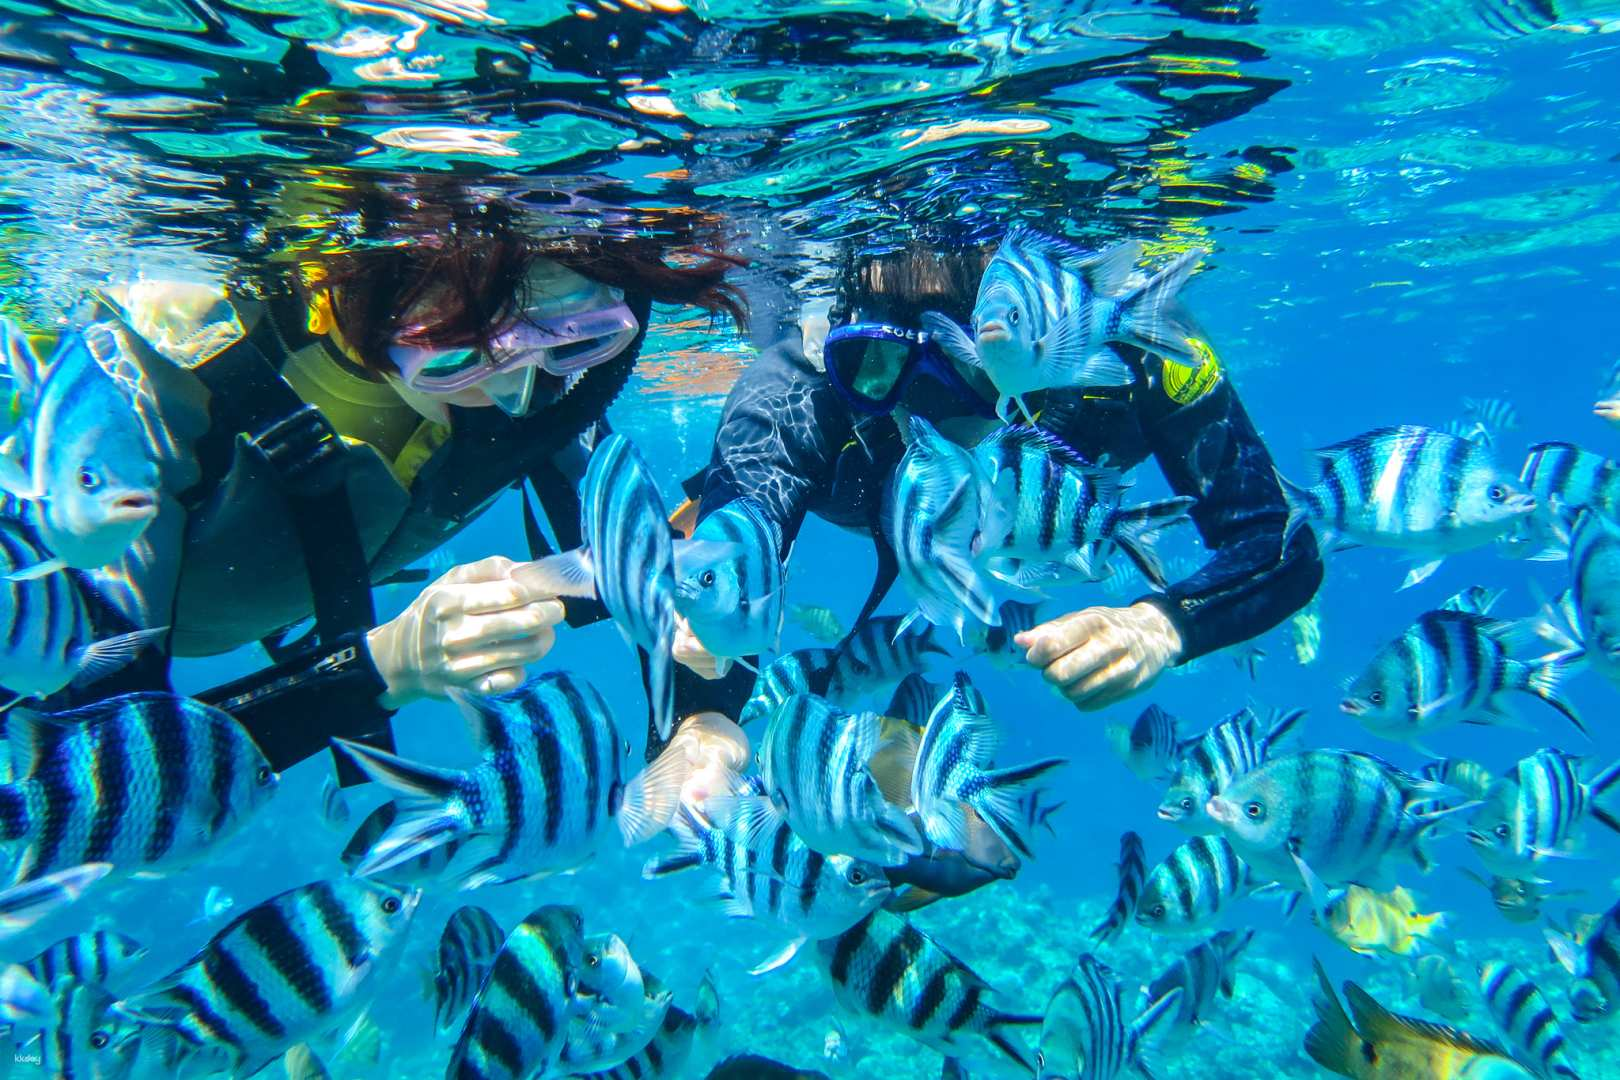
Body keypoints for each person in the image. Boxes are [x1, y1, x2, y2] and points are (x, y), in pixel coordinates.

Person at [1, 181, 746, 777]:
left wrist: (701, 711)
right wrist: (389, 664)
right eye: (455, 360)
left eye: (577, 343)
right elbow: (79, 774)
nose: (516, 397)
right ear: (352, 299)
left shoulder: (545, 388)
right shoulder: (159, 388)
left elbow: (637, 554)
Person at [680, 240, 1320, 708]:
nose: (937, 413)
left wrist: (1161, 625)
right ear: (843, 347)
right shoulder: (800, 391)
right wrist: (704, 718)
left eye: (983, 369)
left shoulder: (1130, 342)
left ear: (1043, 342)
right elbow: (725, 563)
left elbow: (1276, 536)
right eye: (878, 365)